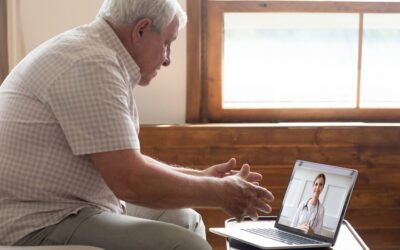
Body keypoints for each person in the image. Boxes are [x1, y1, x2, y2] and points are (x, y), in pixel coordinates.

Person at [0, 0, 274, 249]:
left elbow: (128, 161)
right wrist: (220, 193)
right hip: (36, 221)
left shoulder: (94, 52)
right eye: (167, 42)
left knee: (185, 219)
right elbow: (130, 181)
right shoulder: (90, 64)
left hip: (70, 205)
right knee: (187, 246)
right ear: (141, 30)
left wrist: (201, 177)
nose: (168, 58)